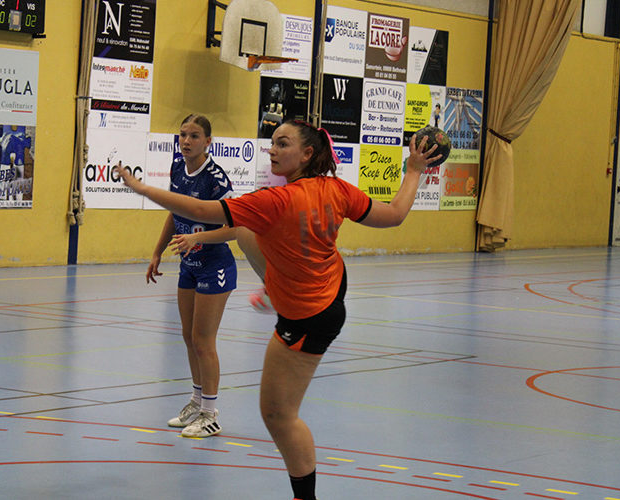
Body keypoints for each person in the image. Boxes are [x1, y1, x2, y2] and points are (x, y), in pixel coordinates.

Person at [115, 119, 439, 500]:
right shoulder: (334, 189)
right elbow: (396, 214)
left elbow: (203, 209)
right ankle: (273, 286)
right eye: (272, 142)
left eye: (282, 144)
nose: (272, 149)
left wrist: (140, 188)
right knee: (247, 227)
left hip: (309, 316)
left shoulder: (278, 200)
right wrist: (414, 170)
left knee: (278, 415)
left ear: (307, 154)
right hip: (331, 287)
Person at [148, 114, 237, 438]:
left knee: (203, 340)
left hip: (215, 266)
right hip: (189, 265)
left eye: (194, 136)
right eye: (183, 134)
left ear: (208, 142)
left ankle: (211, 414)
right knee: (188, 337)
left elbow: (235, 229)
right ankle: (197, 402)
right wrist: (158, 251)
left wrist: (197, 239)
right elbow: (176, 213)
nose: (186, 141)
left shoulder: (216, 180)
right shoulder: (176, 168)